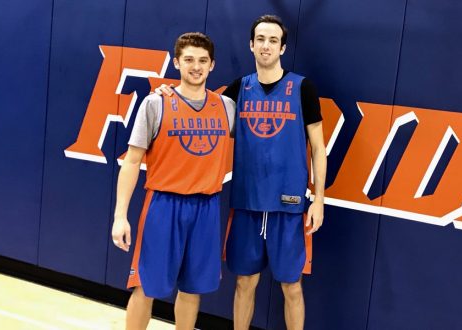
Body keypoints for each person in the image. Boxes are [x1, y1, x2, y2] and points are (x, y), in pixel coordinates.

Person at [111, 32, 235, 330]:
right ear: (177, 62)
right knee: (146, 286)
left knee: (192, 288)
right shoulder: (155, 104)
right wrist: (120, 215)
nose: (196, 66)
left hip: (206, 206)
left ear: (212, 65)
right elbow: (131, 161)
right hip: (164, 205)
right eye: (189, 60)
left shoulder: (227, 107)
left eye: (203, 61)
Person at [223, 15, 326, 330]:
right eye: (261, 39)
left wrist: (319, 200)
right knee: (244, 282)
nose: (266, 46)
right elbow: (205, 119)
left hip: (289, 205)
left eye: (273, 40)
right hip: (247, 203)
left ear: (282, 47)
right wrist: (170, 95)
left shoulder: (302, 87)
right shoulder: (239, 88)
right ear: (251, 45)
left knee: (292, 287)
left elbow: (319, 149)